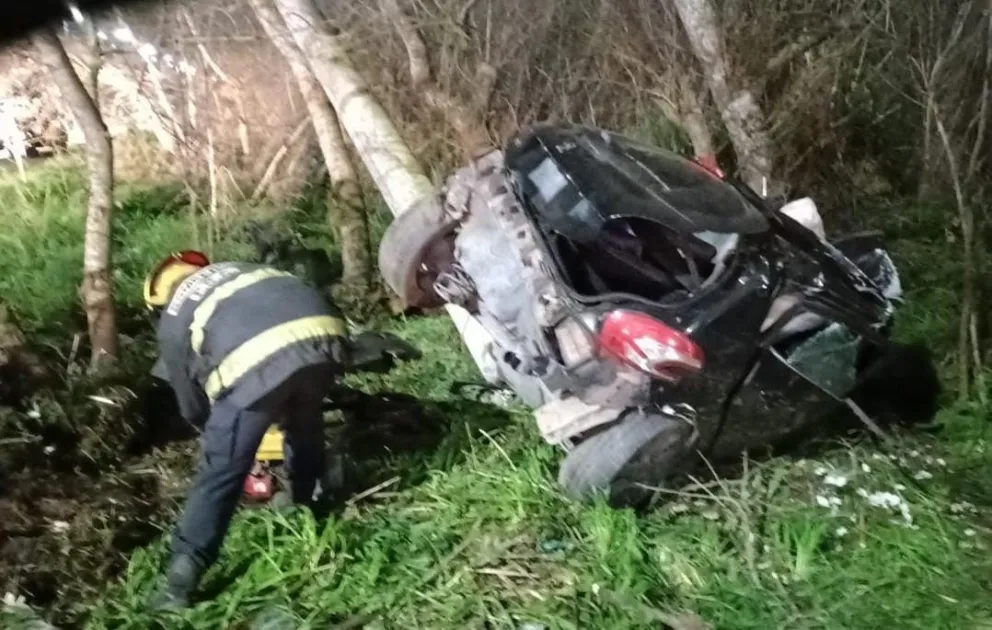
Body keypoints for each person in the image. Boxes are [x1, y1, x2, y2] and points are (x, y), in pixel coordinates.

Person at [142, 250, 349, 610]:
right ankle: (307, 503)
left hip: (259, 357)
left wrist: (218, 433)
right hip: (326, 332)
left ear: (160, 300)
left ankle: (179, 580)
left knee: (220, 471)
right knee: (304, 419)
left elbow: (190, 403)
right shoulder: (240, 270)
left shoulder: (174, 315)